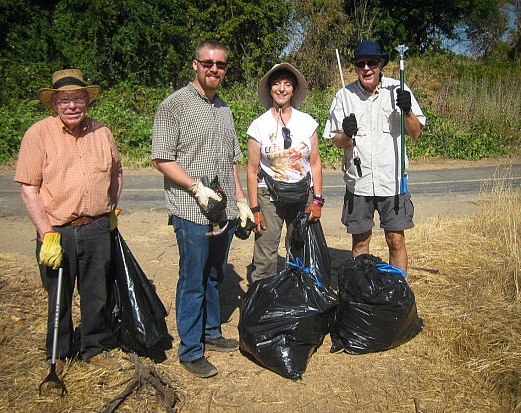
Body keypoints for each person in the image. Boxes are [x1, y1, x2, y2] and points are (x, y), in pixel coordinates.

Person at [151, 40, 254, 378]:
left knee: (214, 275)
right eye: (207, 62)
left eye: (220, 64)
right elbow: (161, 158)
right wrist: (195, 187)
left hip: (222, 209)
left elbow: (231, 159)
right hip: (191, 208)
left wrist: (240, 201)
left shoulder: (224, 108)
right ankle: (190, 350)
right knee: (192, 279)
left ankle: (211, 334)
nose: (214, 69)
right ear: (194, 64)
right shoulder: (174, 106)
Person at [15, 69, 123, 373]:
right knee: (58, 295)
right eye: (65, 100)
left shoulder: (102, 132)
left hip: (98, 228)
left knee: (96, 292)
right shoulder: (38, 134)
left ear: (87, 100)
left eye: (78, 98)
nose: (72, 105)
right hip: (57, 231)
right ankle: (58, 352)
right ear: (54, 105)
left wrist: (111, 208)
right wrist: (45, 232)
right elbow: (29, 188)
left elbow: (116, 172)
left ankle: (94, 348)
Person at [324, 40, 426, 271]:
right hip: (359, 183)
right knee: (360, 242)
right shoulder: (344, 96)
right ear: (356, 67)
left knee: (396, 240)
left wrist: (407, 110)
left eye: (372, 62)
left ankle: (398, 294)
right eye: (361, 64)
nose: (366, 68)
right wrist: (347, 133)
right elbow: (338, 142)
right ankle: (362, 293)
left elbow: (416, 132)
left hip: (392, 180)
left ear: (381, 64)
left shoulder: (399, 89)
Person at [246, 63, 323, 283]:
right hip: (268, 197)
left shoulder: (307, 123)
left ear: (294, 90)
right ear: (270, 88)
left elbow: (316, 163)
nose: (282, 89)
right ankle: (261, 306)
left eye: (287, 84)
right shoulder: (258, 126)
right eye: (277, 84)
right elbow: (251, 171)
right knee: (265, 257)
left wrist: (317, 201)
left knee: (299, 250)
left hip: (303, 196)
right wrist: (255, 210)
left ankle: (298, 299)